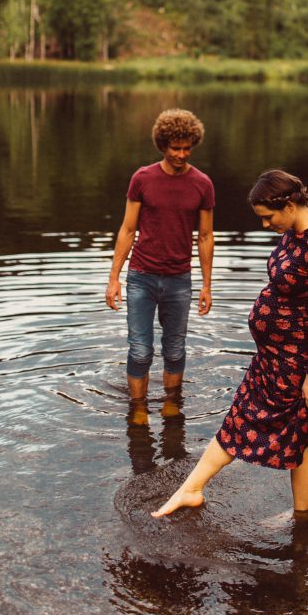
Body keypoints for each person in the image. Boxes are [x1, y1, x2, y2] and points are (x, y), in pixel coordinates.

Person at [152, 169, 308, 520]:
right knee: (252, 420)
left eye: (269, 217)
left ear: (289, 204)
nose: (266, 225)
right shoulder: (295, 233)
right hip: (273, 357)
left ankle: (299, 520)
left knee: (295, 439)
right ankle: (193, 490)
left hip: (298, 364)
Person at [106, 109, 215, 414]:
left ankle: (170, 406)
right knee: (140, 351)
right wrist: (114, 278)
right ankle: (138, 409)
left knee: (176, 349)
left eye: (187, 147)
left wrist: (207, 285)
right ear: (162, 145)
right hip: (141, 276)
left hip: (180, 279)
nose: (182, 153)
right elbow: (128, 229)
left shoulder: (203, 184)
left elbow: (205, 237)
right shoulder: (142, 178)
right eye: (175, 148)